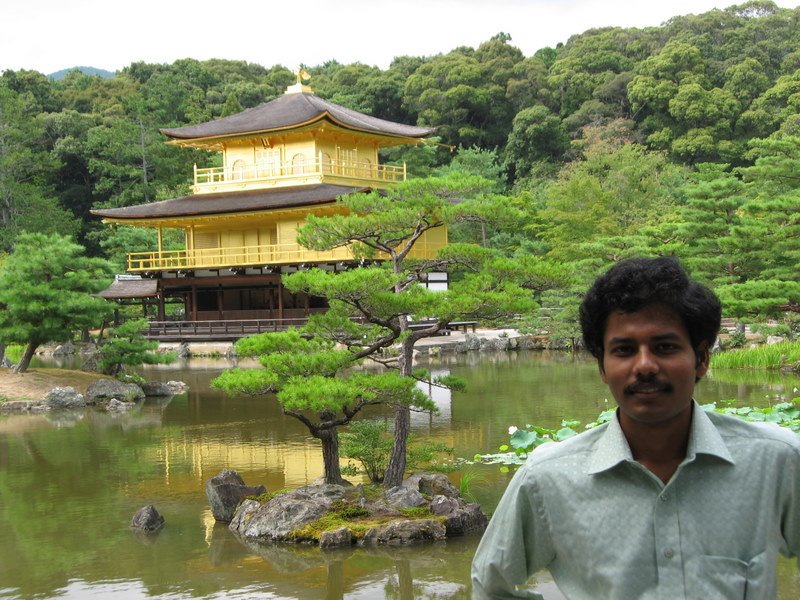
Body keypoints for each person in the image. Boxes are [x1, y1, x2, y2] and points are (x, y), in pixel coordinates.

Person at [471, 256, 800, 599]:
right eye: (625, 350)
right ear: (602, 366)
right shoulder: (548, 478)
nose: (644, 366)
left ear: (701, 359)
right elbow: (491, 585)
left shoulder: (775, 460)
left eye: (664, 347)